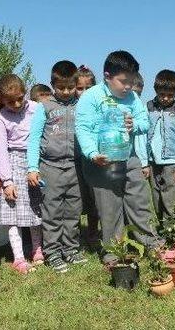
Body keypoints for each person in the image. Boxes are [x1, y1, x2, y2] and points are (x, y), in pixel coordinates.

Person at [75, 50, 162, 265]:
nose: (128, 87)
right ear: (107, 76)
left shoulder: (132, 98)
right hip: (101, 162)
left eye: (131, 82)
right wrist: (92, 154)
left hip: (128, 158)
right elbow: (83, 128)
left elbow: (144, 121)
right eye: (123, 81)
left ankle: (151, 243)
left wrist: (136, 125)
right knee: (110, 209)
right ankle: (114, 252)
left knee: (139, 201)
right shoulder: (91, 97)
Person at [27, 61, 85, 273]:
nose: (67, 92)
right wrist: (32, 167)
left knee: (73, 209)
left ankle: (70, 248)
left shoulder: (82, 105)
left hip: (75, 166)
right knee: (52, 211)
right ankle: (52, 251)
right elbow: (33, 138)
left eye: (71, 87)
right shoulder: (44, 107)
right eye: (61, 88)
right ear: (53, 85)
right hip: (50, 167)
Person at [0, 74, 43, 275]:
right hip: (12, 163)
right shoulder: (1, 118)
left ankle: (37, 249)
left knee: (35, 208)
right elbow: (0, 150)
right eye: (10, 101)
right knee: (12, 211)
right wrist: (7, 181)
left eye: (19, 98)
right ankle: (18, 257)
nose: (16, 104)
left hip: (34, 161)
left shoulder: (36, 108)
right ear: (1, 100)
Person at [146, 70, 175, 225]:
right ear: (156, 90)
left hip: (172, 161)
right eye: (162, 94)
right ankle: (163, 228)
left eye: (170, 95)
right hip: (152, 161)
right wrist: (144, 162)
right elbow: (144, 135)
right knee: (156, 197)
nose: (166, 98)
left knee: (171, 198)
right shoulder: (148, 107)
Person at [74, 65, 100, 246]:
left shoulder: (97, 107)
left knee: (93, 196)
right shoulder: (70, 106)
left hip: (92, 159)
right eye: (80, 88)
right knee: (75, 196)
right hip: (72, 158)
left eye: (88, 88)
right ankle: (73, 233)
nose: (83, 92)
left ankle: (92, 230)